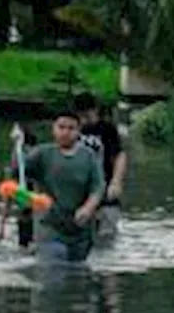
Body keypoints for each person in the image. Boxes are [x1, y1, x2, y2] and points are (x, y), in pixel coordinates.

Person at [13, 109, 105, 262]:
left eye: (71, 128)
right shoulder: (42, 154)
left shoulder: (88, 157)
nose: (65, 132)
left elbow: (98, 187)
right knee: (53, 268)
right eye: (61, 127)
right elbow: (18, 172)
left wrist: (88, 208)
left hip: (80, 229)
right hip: (49, 225)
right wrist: (17, 148)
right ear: (53, 129)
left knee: (77, 274)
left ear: (78, 131)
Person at [72, 92, 127, 240]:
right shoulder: (72, 130)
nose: (84, 120)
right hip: (79, 192)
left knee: (106, 237)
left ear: (95, 110)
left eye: (87, 115)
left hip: (105, 189)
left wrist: (116, 182)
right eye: (81, 116)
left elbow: (120, 156)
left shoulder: (107, 129)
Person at [0, 123, 39, 248]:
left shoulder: (35, 161)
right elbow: (6, 200)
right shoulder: (13, 169)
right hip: (26, 216)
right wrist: (1, 227)